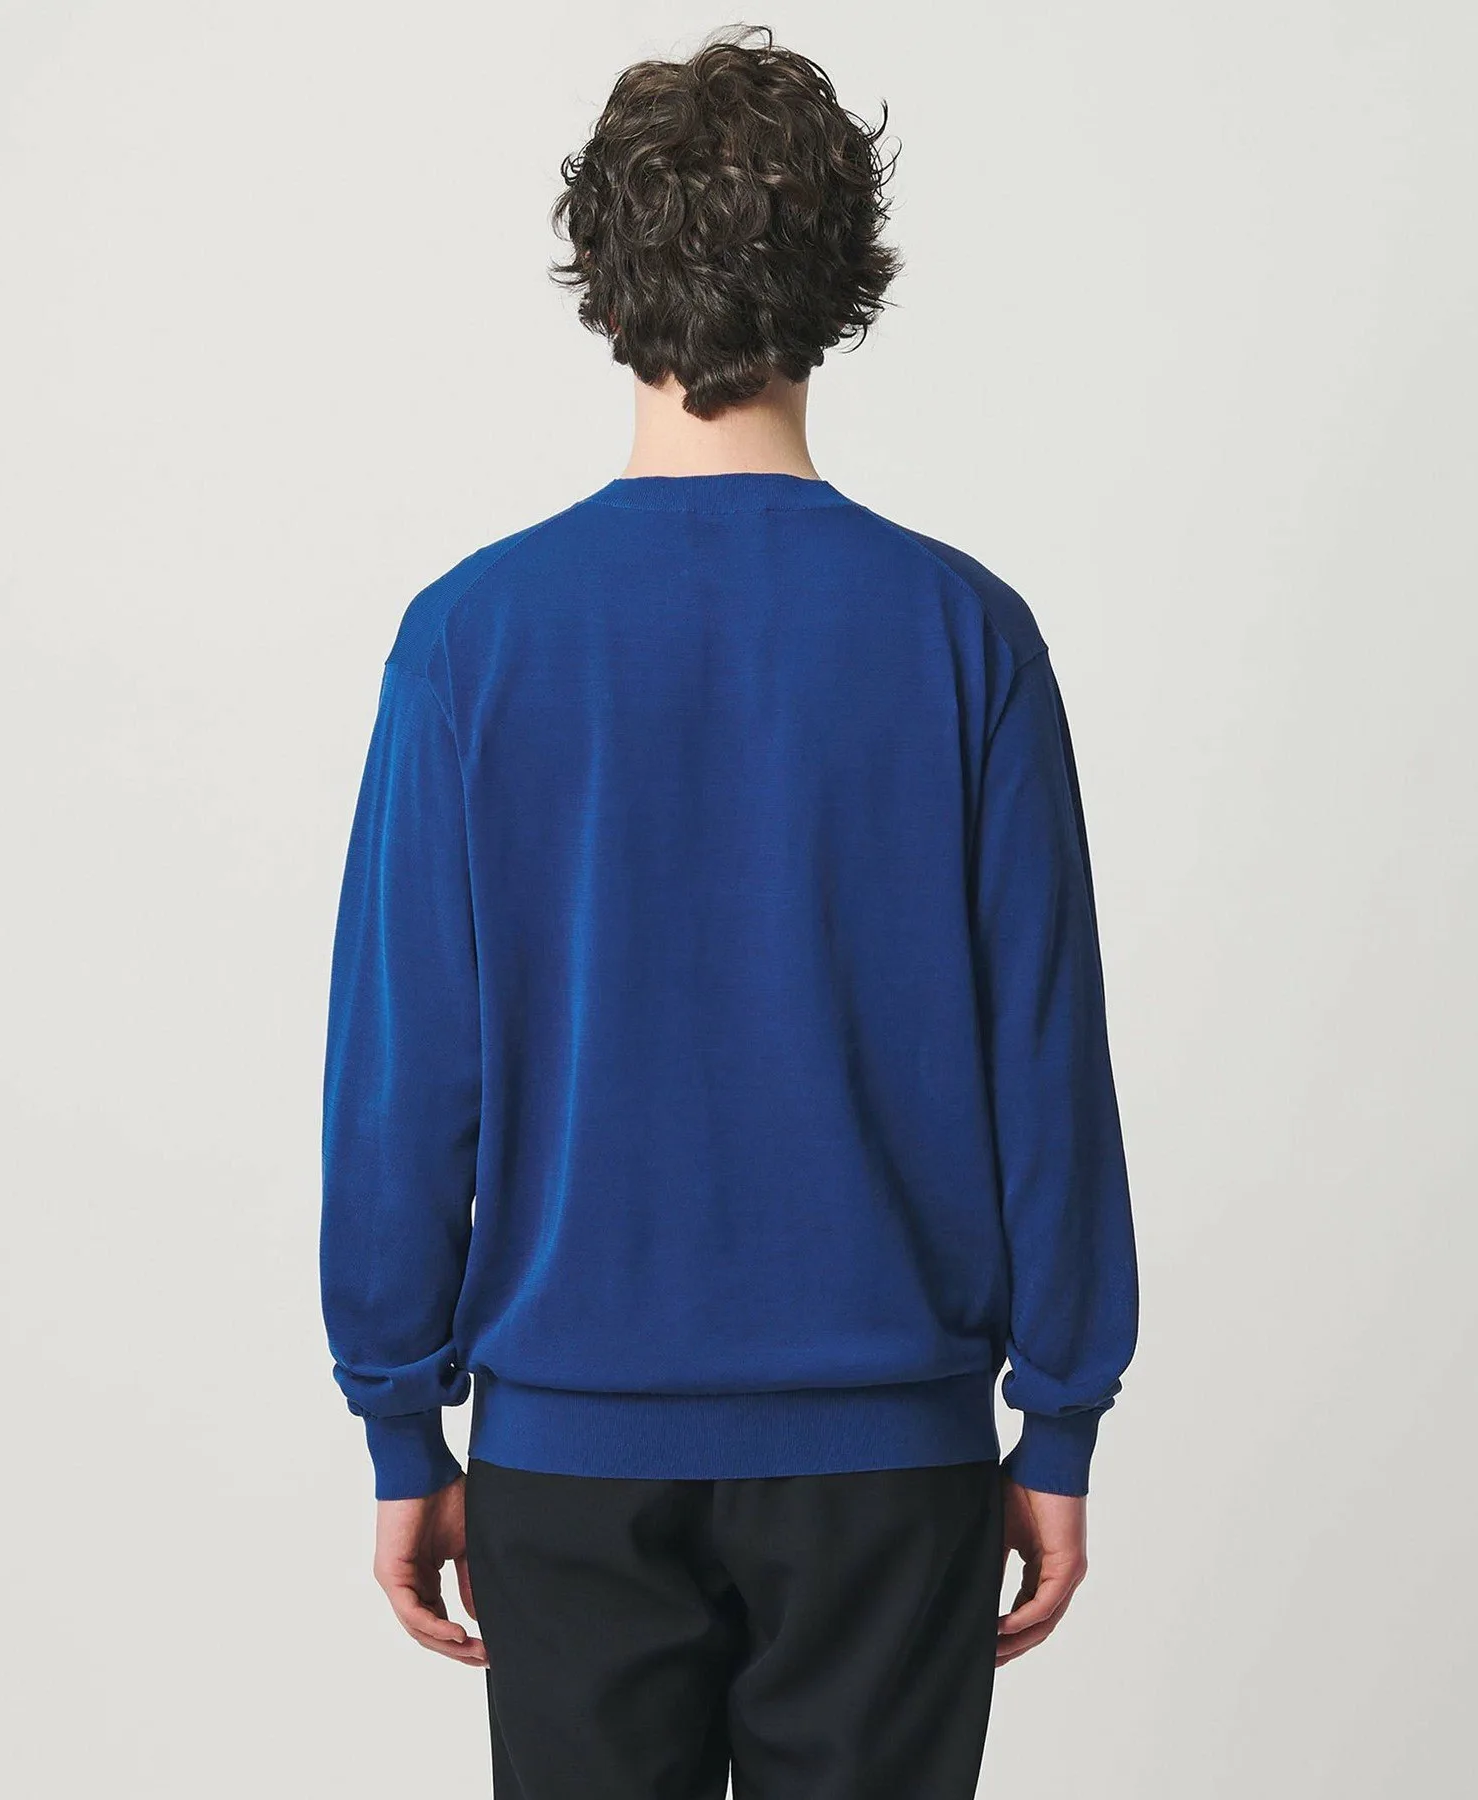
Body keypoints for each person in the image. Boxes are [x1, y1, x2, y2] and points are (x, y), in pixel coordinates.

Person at [319, 24, 1140, 1798]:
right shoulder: (964, 635)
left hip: (569, 1454)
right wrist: (1060, 1416)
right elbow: (1047, 1064)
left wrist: (401, 1426)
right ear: (846, 284)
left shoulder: (472, 639)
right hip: (889, 1458)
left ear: (604, 286)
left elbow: (404, 1072)